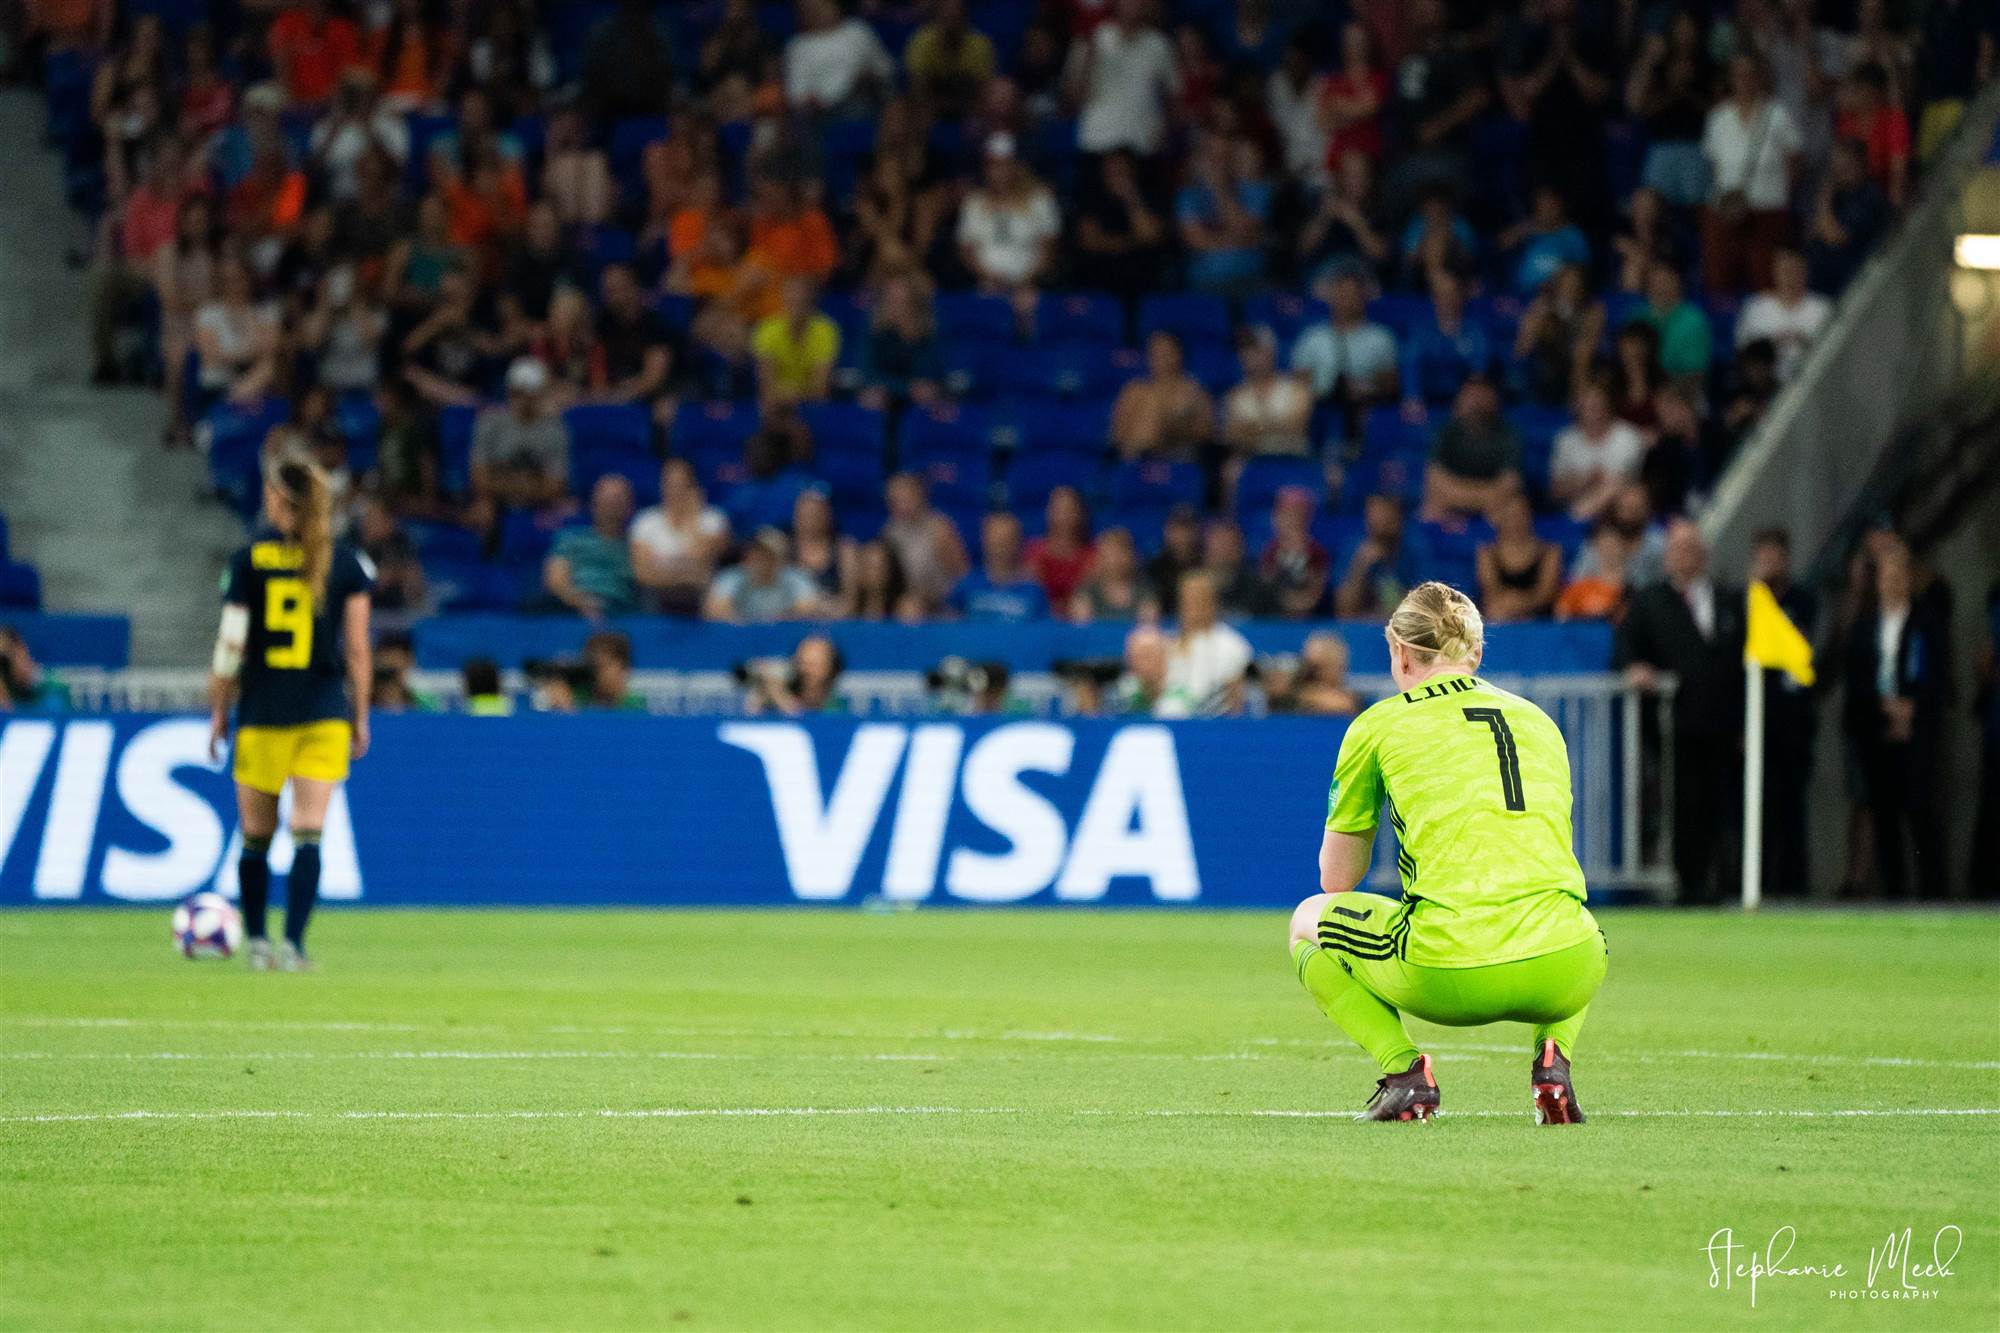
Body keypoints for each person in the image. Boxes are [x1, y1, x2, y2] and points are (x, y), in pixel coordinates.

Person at [1288, 582, 1607, 1122]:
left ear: (1400, 653)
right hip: (1566, 971)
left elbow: (1337, 878)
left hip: (1451, 973)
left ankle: (1405, 1072)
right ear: (1476, 654)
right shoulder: (1540, 722)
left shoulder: (1378, 724)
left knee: (1306, 921)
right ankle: (1554, 1063)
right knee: (1574, 918)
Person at [206, 457, 373, 972]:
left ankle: (257, 942)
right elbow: (359, 650)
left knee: (256, 835)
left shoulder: (247, 562)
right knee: (309, 829)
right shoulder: (346, 564)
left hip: (263, 709)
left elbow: (230, 647)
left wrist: (217, 711)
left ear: (280, 500)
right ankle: (295, 945)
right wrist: (361, 716)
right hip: (324, 711)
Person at [1618, 520, 1746, 905]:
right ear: (1668, 555)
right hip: (1678, 727)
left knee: (1726, 804)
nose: (1685, 555)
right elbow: (1624, 647)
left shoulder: (1729, 601)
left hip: (1723, 725)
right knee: (1686, 805)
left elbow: (1742, 664)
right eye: (1678, 548)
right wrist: (1634, 669)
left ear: (1704, 553)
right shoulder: (1649, 600)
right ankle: (1690, 886)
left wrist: (1743, 722)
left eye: (1692, 547)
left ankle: (1729, 882)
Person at [1842, 543, 1950, 899]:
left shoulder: (1926, 623)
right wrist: (1882, 709)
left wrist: (1912, 709)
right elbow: (1855, 680)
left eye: (1899, 575)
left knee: (1920, 808)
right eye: (1887, 575)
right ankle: (1895, 890)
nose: (1893, 582)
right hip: (1875, 729)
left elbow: (1938, 676)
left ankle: (1933, 890)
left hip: (1917, 728)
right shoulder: (1864, 627)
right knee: (1883, 812)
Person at [1749, 528, 1817, 900]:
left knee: (1792, 807)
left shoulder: (1802, 601)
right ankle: (1757, 883)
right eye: (1763, 555)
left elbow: (1803, 650)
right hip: (1756, 724)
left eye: (1775, 556)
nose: (1768, 563)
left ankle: (1795, 885)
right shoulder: (1745, 602)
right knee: (1756, 809)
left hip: (1792, 723)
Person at [1700, 53, 1802, 297]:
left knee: (1765, 281)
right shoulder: (1719, 117)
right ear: (1731, 79)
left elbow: (1796, 161)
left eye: (1749, 75)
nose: (1744, 80)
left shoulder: (1778, 114)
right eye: (1739, 75)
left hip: (1767, 209)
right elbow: (1714, 165)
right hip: (1728, 211)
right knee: (1719, 279)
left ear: (1759, 78)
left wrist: (1780, 193)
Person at [1065, 0, 1179, 158]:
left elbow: (1173, 96)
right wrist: (1089, 58)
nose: (1133, 5)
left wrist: (1163, 130)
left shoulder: (1159, 45)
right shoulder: (1093, 36)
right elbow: (1072, 100)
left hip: (1142, 143)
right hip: (1098, 139)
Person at [956, 134, 1062, 300]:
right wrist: (988, 277)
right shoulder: (974, 202)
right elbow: (966, 249)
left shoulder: (1040, 199)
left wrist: (1026, 279)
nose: (1000, 172)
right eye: (994, 166)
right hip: (987, 283)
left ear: (1017, 166)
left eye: (1006, 165)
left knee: (1028, 303)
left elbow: (1049, 247)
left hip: (1030, 282)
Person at [470, 357, 570, 531]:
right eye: (517, 392)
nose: (523, 399)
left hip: (539, 506)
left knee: (566, 510)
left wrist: (502, 483)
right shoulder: (490, 422)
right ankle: (489, 555)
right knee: (483, 508)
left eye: (528, 393)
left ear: (540, 393)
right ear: (509, 390)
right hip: (497, 503)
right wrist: (527, 484)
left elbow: (554, 487)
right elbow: (479, 480)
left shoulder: (554, 430)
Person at [1290, 263, 1399, 422]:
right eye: (1341, 294)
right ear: (1331, 297)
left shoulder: (1381, 337)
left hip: (1365, 407)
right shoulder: (1312, 337)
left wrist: (1366, 386)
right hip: (1319, 409)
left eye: (1352, 294)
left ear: (1363, 297)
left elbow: (1391, 384)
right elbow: (1299, 382)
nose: (1347, 300)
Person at [630, 459, 730, 615]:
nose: (674, 491)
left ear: (693, 487)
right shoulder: (645, 521)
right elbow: (643, 573)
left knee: (717, 595)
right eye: (669, 485)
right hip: (658, 594)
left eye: (681, 485)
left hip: (701, 594)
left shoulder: (713, 519)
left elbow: (702, 559)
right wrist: (684, 578)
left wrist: (692, 518)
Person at [1423, 374, 1522, 523]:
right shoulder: (1445, 432)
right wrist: (1482, 496)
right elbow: (1435, 481)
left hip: (1493, 506)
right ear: (1459, 399)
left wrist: (1481, 498)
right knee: (1431, 508)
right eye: (1471, 395)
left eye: (1483, 394)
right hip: (1457, 503)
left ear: (1495, 399)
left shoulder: (1509, 435)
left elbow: (1510, 485)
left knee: (1512, 509)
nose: (1477, 401)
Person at [1550, 379, 1646, 523]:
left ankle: (1580, 516)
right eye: (1587, 405)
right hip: (1574, 504)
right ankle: (1581, 517)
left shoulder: (1628, 435)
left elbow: (1623, 482)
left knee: (1616, 486)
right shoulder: (1565, 440)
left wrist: (1592, 483)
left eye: (1597, 404)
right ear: (1578, 407)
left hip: (1620, 512)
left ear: (1608, 405)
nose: (1592, 409)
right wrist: (1585, 480)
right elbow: (1556, 490)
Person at [543, 475, 639, 619]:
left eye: (617, 502)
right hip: (571, 611)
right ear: (593, 504)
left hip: (622, 614)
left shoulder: (637, 546)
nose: (611, 509)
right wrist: (583, 602)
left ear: (630, 507)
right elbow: (555, 580)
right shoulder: (570, 538)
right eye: (606, 502)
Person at [1111, 331, 1214, 462]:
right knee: (1150, 402)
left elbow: (1206, 436)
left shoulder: (1195, 391)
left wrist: (1178, 423)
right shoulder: (1134, 390)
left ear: (1179, 354)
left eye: (1165, 352)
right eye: (1154, 352)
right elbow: (1117, 435)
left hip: (1178, 456)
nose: (1159, 357)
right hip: (1132, 454)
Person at [1734, 247, 1832, 384]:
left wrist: (1805, 342)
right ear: (1774, 271)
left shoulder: (1822, 308)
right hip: (1766, 387)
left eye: (1795, 270)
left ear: (1806, 272)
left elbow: (1834, 351)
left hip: (1815, 382)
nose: (1789, 276)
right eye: (1784, 270)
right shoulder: (1756, 307)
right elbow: (1743, 354)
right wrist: (1770, 345)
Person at [1165, 571, 1251, 715]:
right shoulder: (1166, 644)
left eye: (1198, 599)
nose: (1192, 606)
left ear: (1213, 603)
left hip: (1213, 724)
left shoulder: (1232, 645)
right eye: (1187, 599)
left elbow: (1237, 700)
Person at [1222, 326, 1312, 461]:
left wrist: (1252, 428)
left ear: (1271, 351)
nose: (1250, 355)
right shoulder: (1235, 395)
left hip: (1292, 460)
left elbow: (1297, 427)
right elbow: (1232, 435)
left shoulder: (1296, 389)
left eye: (1256, 349)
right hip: (1252, 461)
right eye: (1245, 350)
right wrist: (1276, 425)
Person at [751, 278, 840, 410]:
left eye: (801, 301)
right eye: (792, 300)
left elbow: (820, 389)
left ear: (811, 303)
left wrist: (790, 394)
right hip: (775, 407)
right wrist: (796, 393)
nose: (796, 306)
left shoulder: (826, 331)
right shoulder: (766, 330)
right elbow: (766, 388)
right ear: (783, 300)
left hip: (811, 406)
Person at [1336, 494, 1425, 619]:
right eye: (1374, 515)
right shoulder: (1353, 549)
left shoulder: (1414, 549)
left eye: (1387, 515)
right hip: (1361, 627)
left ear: (1399, 517)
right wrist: (1361, 565)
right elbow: (1343, 610)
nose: (1381, 521)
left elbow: (1424, 602)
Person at [705, 527, 820, 623]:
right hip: (742, 640)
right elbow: (715, 609)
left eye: (767, 556)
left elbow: (808, 609)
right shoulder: (733, 577)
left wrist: (773, 621)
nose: (759, 561)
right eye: (755, 554)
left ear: (778, 559)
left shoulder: (795, 577)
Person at [1476, 494, 1560, 622]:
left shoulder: (1550, 552)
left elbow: (1545, 593)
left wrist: (1522, 604)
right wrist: (1509, 604)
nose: (1516, 521)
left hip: (1539, 617)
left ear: (1530, 517)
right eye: (1510, 516)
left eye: (1521, 515)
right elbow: (1490, 590)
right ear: (1500, 519)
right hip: (1500, 612)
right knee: (1494, 611)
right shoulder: (1486, 552)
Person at [953, 512, 1050, 622]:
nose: (1000, 549)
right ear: (985, 542)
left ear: (1017, 543)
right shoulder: (968, 584)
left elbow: (1043, 631)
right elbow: (948, 621)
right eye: (995, 541)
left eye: (1006, 541)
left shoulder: (1033, 591)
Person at [1025, 487, 1097, 611]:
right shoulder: (1035, 552)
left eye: (1069, 510)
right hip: (1042, 621)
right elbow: (1031, 595)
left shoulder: (1094, 555)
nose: (1064, 516)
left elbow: (1090, 596)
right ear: (1049, 513)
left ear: (1081, 513)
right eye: (1059, 510)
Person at [1265, 631, 1363, 717]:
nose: (1313, 672)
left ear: (1339, 665)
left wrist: (1294, 692)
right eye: (1310, 665)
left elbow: (1341, 705)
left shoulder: (1349, 699)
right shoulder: (1289, 698)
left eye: (1318, 667)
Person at [581, 630, 644, 710]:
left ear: (623, 667)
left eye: (602, 666)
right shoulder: (578, 702)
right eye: (592, 667)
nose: (596, 673)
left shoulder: (636, 708)